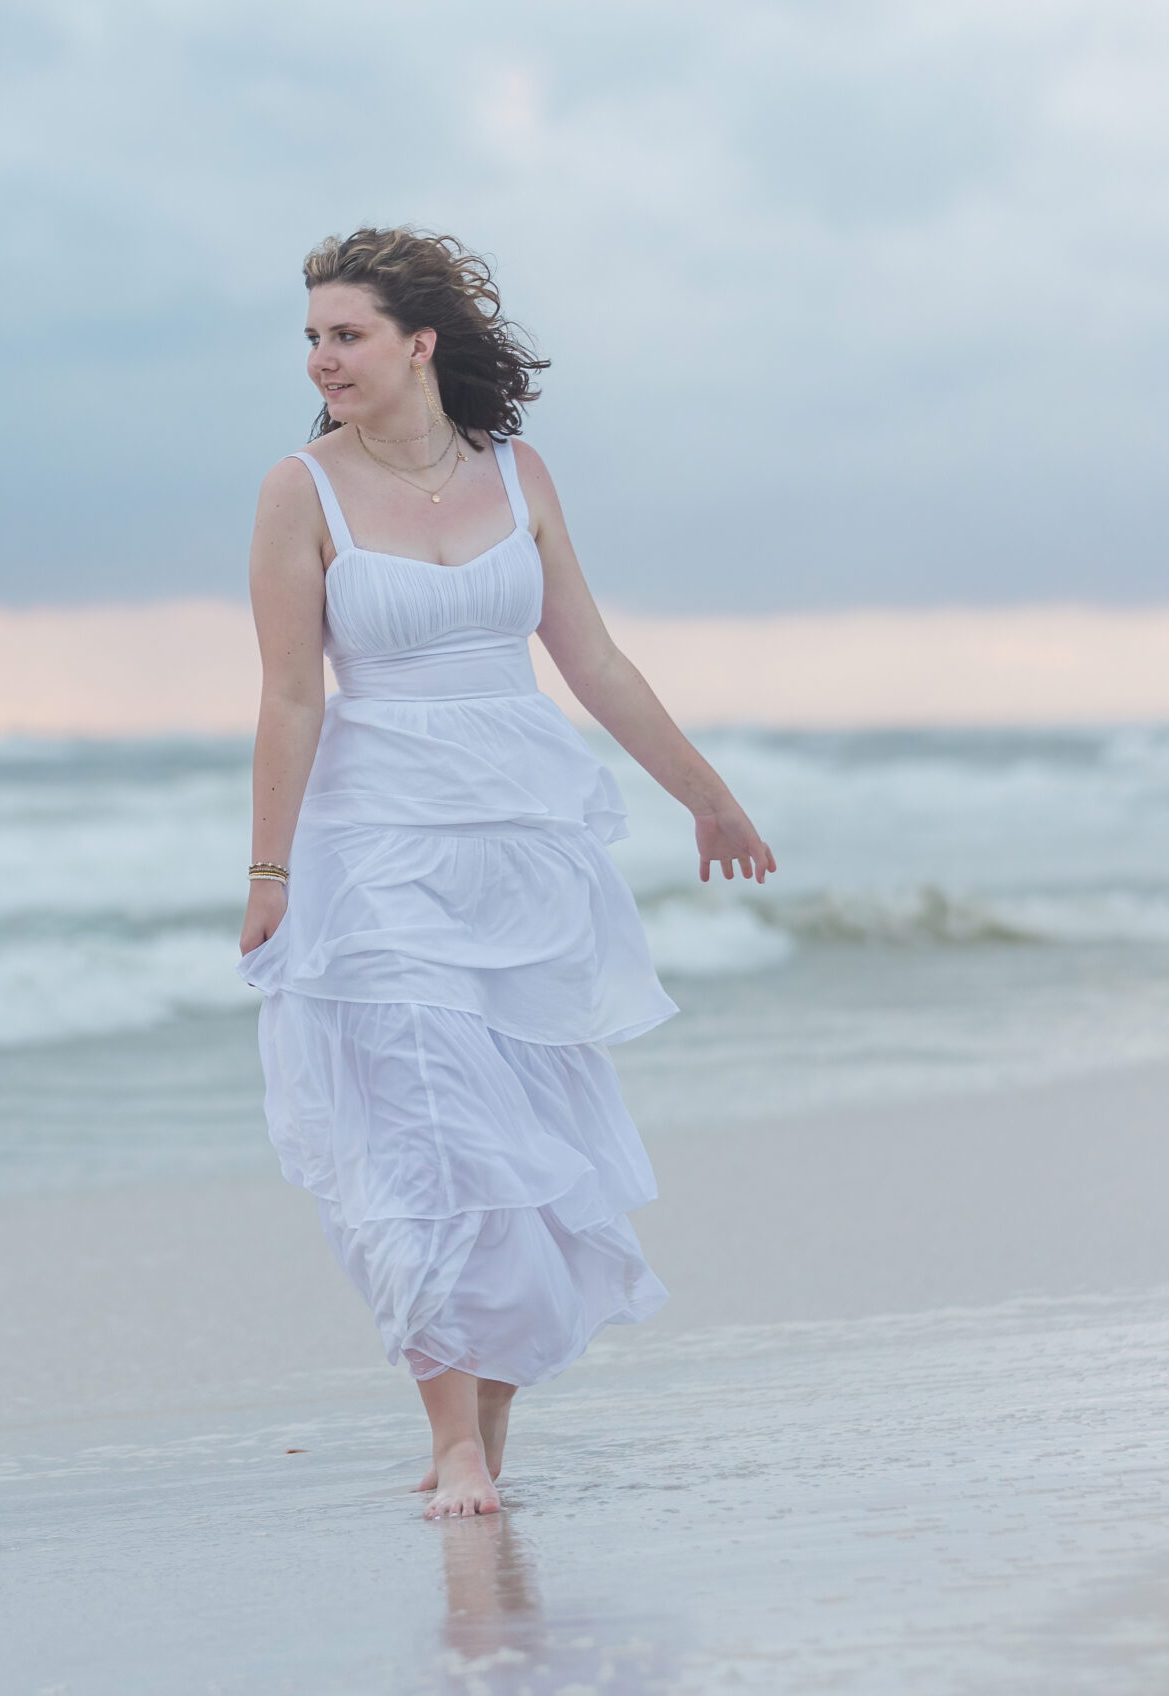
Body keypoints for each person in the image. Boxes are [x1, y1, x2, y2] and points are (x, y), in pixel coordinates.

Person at [239, 228, 776, 1520]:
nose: (323, 358)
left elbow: (592, 661)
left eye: (347, 334)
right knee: (428, 1133)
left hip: (521, 847)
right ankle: (456, 1447)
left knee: (522, 1139)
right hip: (374, 848)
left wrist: (707, 797)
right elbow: (291, 693)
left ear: (421, 342)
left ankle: (483, 1433)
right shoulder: (297, 491)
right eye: (313, 337)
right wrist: (270, 871)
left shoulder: (521, 473)